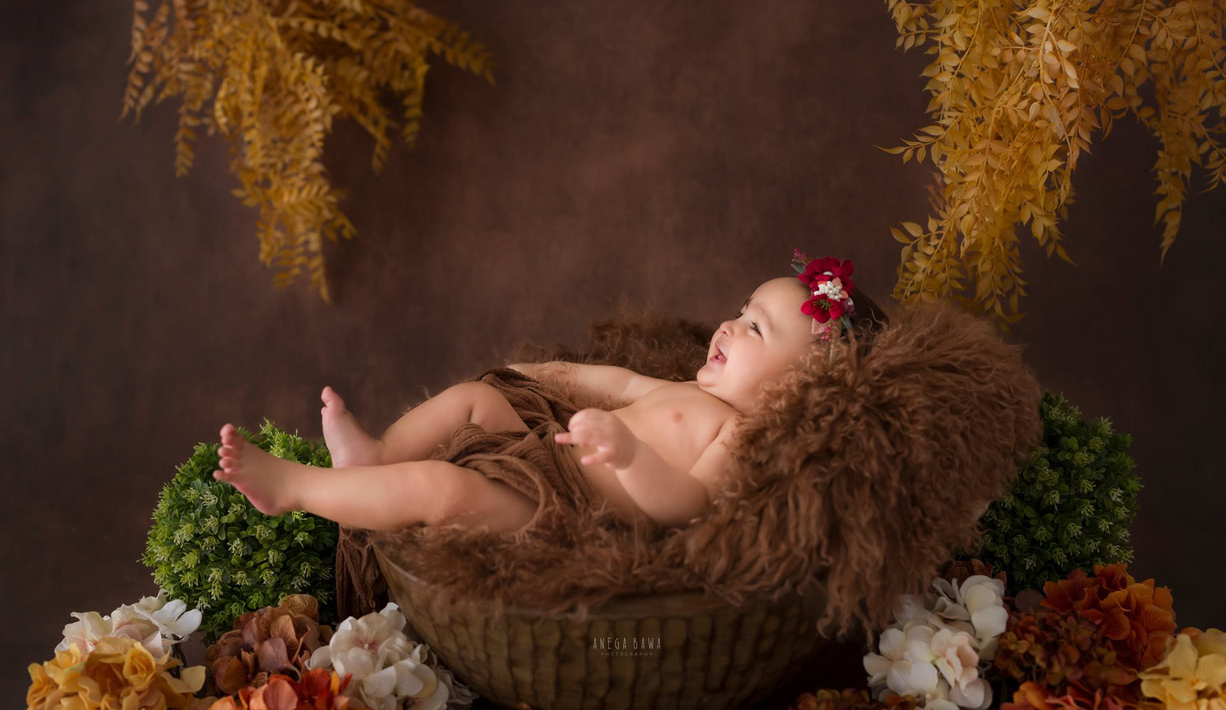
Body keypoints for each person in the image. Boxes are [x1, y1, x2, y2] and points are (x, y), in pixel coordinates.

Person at [211, 251, 888, 534]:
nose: (729, 326)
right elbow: (618, 381)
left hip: (568, 504)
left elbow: (687, 505)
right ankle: (376, 451)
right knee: (477, 397)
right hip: (552, 442)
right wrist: (546, 376)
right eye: (741, 310)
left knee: (449, 491)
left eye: (755, 330)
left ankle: (298, 489)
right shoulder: (692, 389)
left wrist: (627, 455)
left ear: (797, 393)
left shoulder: (738, 435)